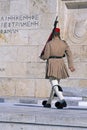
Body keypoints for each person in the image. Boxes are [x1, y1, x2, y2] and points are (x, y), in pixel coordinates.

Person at [40, 28, 75, 109]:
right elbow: (69, 54)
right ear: (59, 34)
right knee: (55, 84)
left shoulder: (50, 43)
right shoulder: (64, 43)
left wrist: (42, 57)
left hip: (52, 63)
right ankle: (48, 103)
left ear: (53, 34)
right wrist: (71, 65)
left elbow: (46, 56)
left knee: (53, 82)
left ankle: (62, 100)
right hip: (61, 63)